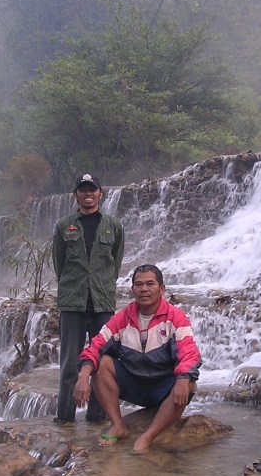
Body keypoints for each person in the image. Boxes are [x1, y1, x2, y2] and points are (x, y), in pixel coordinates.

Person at [74, 264, 201, 453]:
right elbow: (96, 346)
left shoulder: (176, 318)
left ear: (162, 289)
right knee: (101, 364)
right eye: (139, 285)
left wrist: (183, 379)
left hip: (163, 389)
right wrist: (83, 377)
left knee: (188, 381)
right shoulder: (122, 318)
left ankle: (148, 436)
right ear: (132, 290)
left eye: (150, 284)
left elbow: (189, 354)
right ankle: (118, 426)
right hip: (134, 385)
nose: (144, 289)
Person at [52, 173, 125, 424]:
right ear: (77, 195)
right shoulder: (64, 226)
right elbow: (59, 264)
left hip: (102, 302)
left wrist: (101, 284)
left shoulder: (113, 225)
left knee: (103, 363)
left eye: (92, 190)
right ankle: (65, 419)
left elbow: (115, 264)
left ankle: (97, 417)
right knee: (69, 364)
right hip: (73, 303)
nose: (88, 194)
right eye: (83, 190)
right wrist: (75, 286)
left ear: (100, 194)